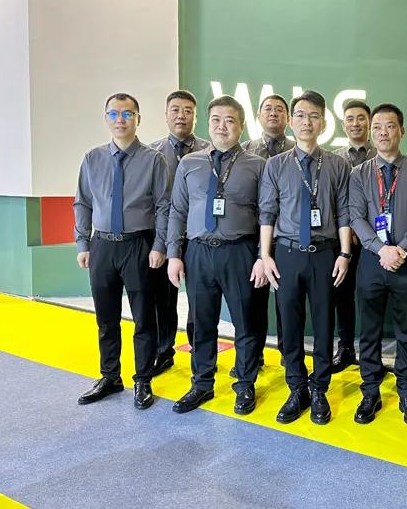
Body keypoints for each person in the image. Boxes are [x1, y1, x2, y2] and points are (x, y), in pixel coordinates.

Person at [166, 95, 267, 414]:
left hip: (240, 252)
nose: (222, 126)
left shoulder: (258, 165)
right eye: (216, 120)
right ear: (208, 124)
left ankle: (245, 384)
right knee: (201, 322)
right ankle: (201, 383)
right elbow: (177, 210)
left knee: (245, 322)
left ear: (241, 126)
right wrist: (174, 254)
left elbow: (267, 215)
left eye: (230, 120)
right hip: (197, 252)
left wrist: (262, 256)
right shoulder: (189, 163)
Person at [259, 90, 352, 426]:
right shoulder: (275, 165)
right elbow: (267, 213)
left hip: (325, 254)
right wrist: (265, 255)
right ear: (290, 121)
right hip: (286, 254)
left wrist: (345, 253)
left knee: (325, 324)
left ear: (323, 123)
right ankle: (297, 387)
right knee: (290, 324)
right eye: (300, 115)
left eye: (313, 116)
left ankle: (320, 389)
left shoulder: (338, 165)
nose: (306, 121)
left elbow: (344, 212)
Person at [73, 93, 170, 409]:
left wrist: (159, 245)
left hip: (139, 245)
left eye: (127, 114)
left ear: (138, 119)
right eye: (114, 114)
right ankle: (110, 376)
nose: (120, 120)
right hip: (102, 246)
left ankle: (143, 379)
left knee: (144, 317)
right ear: (106, 118)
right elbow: (83, 202)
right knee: (106, 318)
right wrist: (83, 243)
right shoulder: (92, 158)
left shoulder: (154, 160)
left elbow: (164, 206)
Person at [349, 104, 407, 427]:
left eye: (390, 126)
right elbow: (356, 216)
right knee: (369, 332)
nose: (383, 132)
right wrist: (381, 249)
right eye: (377, 127)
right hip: (372, 263)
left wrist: (401, 249)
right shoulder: (359, 173)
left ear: (401, 131)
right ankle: (370, 391)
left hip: (406, 263)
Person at [148, 90, 210, 376]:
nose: (181, 116)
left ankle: (201, 351)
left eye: (188, 111)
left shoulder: (210, 152)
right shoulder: (151, 153)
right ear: (166, 115)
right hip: (163, 238)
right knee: (163, 299)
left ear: (195, 117)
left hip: (198, 237)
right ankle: (163, 351)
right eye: (175, 110)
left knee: (200, 301)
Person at [241, 94, 295, 369]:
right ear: (259, 116)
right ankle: (254, 355)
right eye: (268, 109)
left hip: (287, 237)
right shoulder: (244, 151)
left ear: (288, 118)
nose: (273, 113)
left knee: (287, 301)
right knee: (253, 299)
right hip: (254, 237)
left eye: (279, 109)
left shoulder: (299, 150)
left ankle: (288, 352)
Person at [331, 99, 377, 372]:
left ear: (369, 123)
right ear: (343, 124)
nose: (356, 123)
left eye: (361, 118)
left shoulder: (382, 153)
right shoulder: (333, 158)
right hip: (343, 240)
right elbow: (333, 200)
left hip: (376, 240)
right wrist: (348, 230)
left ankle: (371, 353)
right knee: (343, 294)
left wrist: (364, 231)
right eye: (350, 118)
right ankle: (345, 347)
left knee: (371, 295)